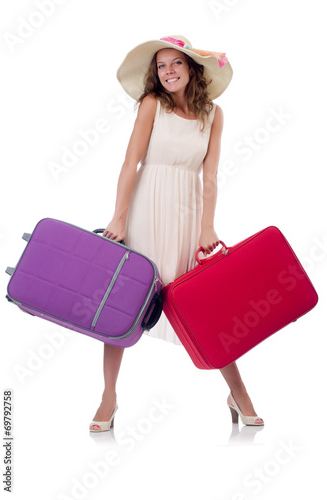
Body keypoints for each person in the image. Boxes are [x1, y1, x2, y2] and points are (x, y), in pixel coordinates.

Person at [89, 35, 264, 432]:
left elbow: (211, 175)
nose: (168, 71)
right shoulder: (152, 106)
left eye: (176, 64)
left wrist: (207, 226)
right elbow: (130, 163)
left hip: (188, 217)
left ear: (191, 69)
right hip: (145, 211)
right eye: (161, 66)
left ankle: (238, 393)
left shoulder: (213, 114)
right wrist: (118, 218)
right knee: (123, 303)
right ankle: (108, 397)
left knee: (206, 308)